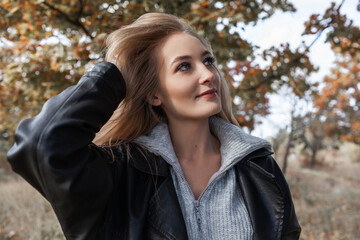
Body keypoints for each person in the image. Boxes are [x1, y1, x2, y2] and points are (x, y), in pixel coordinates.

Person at [7, 13, 301, 240]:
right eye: (184, 66)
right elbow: (41, 144)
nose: (208, 74)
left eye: (208, 61)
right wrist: (116, 73)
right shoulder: (122, 172)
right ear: (154, 94)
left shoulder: (258, 168)